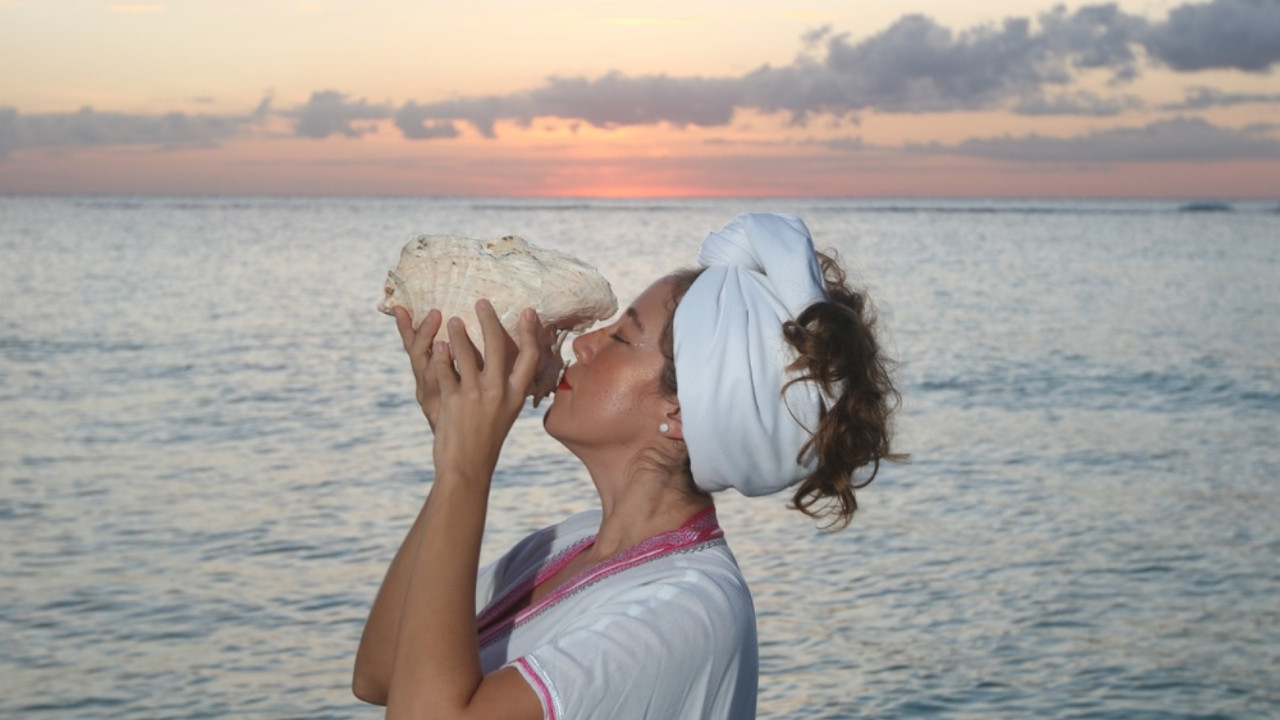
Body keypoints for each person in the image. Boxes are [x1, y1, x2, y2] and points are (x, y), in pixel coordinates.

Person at [352, 213, 904, 719]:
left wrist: (464, 472)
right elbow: (381, 673)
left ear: (683, 413)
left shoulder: (686, 612)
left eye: (620, 336)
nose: (584, 344)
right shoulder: (566, 545)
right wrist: (451, 446)